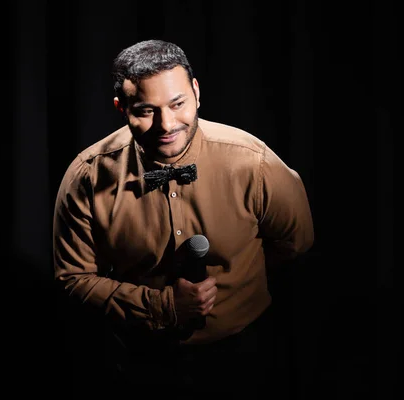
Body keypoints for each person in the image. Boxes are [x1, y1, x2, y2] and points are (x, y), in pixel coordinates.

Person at [52, 39, 314, 396]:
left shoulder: (255, 162)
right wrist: (162, 307)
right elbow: (74, 278)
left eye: (177, 104)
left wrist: (239, 285)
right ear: (121, 107)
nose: (166, 124)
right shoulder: (86, 176)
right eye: (146, 110)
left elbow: (295, 243)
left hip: (246, 358)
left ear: (196, 92)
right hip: (137, 362)